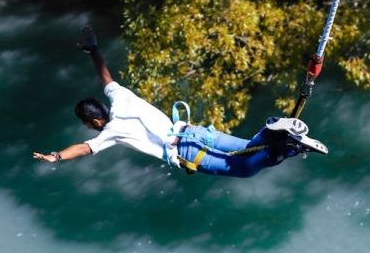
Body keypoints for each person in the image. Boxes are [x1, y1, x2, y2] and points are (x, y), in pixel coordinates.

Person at [32, 26, 327, 177]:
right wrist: (93, 49)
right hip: (191, 131)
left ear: (94, 121)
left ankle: (285, 141)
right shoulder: (120, 97)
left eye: (87, 124)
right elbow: (105, 76)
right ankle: (280, 135)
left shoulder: (111, 133)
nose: (89, 129)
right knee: (249, 148)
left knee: (245, 168)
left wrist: (56, 156)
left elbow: (84, 149)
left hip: (186, 150)